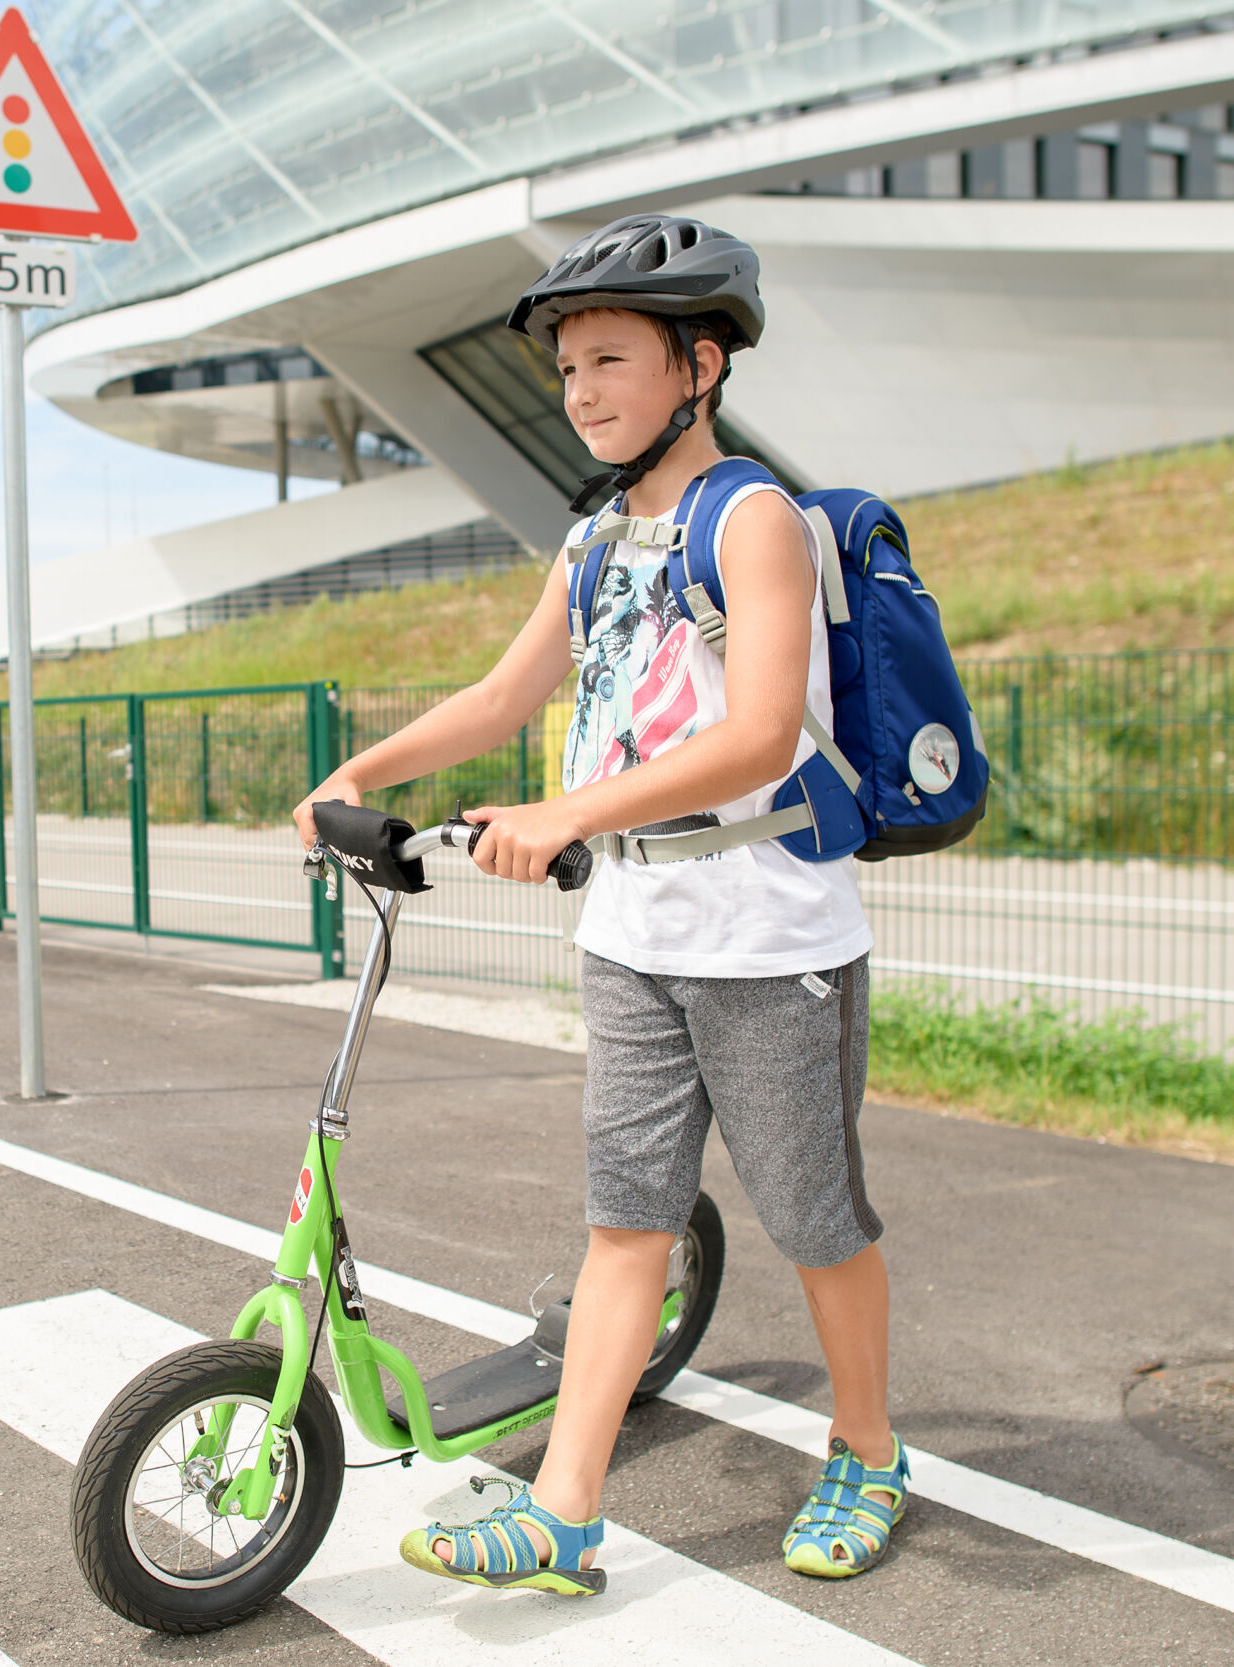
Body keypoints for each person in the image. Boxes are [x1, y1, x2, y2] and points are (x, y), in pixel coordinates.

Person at [291, 214, 904, 1595]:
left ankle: (866, 1450)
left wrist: (566, 813)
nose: (582, 390)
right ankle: (566, 1508)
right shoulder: (594, 541)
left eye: (610, 359)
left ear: (699, 365)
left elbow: (757, 740)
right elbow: (509, 698)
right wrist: (366, 765)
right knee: (628, 1222)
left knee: (815, 1219)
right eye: (568, 367)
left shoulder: (752, 519)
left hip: (770, 939)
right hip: (632, 937)